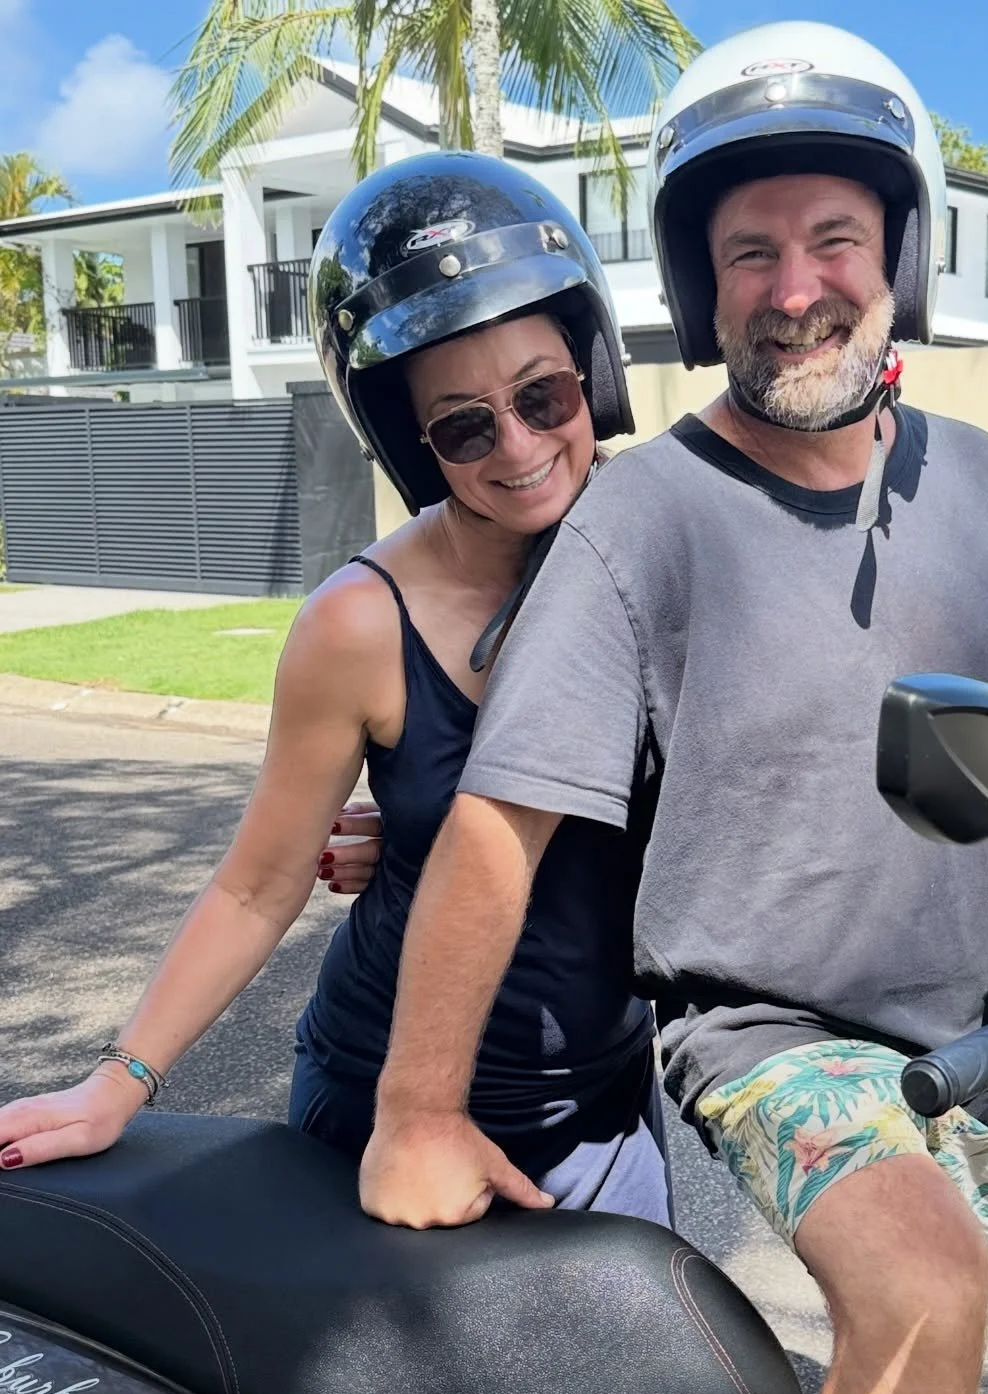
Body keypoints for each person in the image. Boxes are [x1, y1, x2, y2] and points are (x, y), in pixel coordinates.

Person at [358, 22, 988, 1394]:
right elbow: (502, 817)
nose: (798, 291)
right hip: (775, 1033)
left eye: (836, 241)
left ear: (898, 257)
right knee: (923, 1288)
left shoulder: (979, 475)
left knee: (928, 1357)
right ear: (698, 283)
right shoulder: (644, 512)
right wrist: (415, 1107)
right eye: (750, 254)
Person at [0, 152, 671, 1228]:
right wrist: (115, 1084)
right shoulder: (359, 625)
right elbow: (257, 886)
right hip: (384, 1099)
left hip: (599, 1098)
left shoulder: (659, 546)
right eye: (463, 425)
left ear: (589, 371)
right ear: (412, 438)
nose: (521, 447)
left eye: (543, 395)